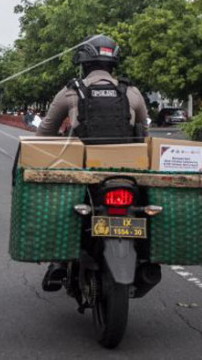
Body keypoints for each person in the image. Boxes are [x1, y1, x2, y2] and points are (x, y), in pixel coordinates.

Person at [37, 34, 149, 291]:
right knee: (145, 204)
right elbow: (145, 131)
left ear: (84, 63)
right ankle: (145, 256)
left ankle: (59, 262)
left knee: (61, 207)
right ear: (113, 64)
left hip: (83, 171)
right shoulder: (131, 92)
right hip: (127, 172)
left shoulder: (70, 92)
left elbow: (44, 134)